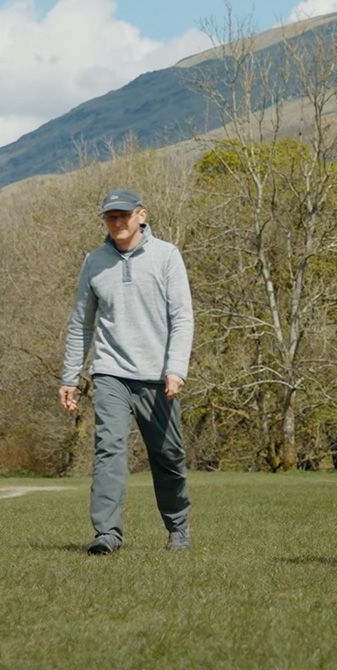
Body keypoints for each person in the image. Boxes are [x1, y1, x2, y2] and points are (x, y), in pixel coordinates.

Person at [58, 188, 195, 555]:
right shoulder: (94, 262)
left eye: (123, 215)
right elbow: (80, 324)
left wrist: (175, 369)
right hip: (110, 372)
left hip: (158, 375)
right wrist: (70, 376)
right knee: (109, 449)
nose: (117, 222)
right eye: (110, 216)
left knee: (168, 455)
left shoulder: (167, 256)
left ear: (141, 215)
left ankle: (178, 526)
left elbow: (182, 317)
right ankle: (107, 533)